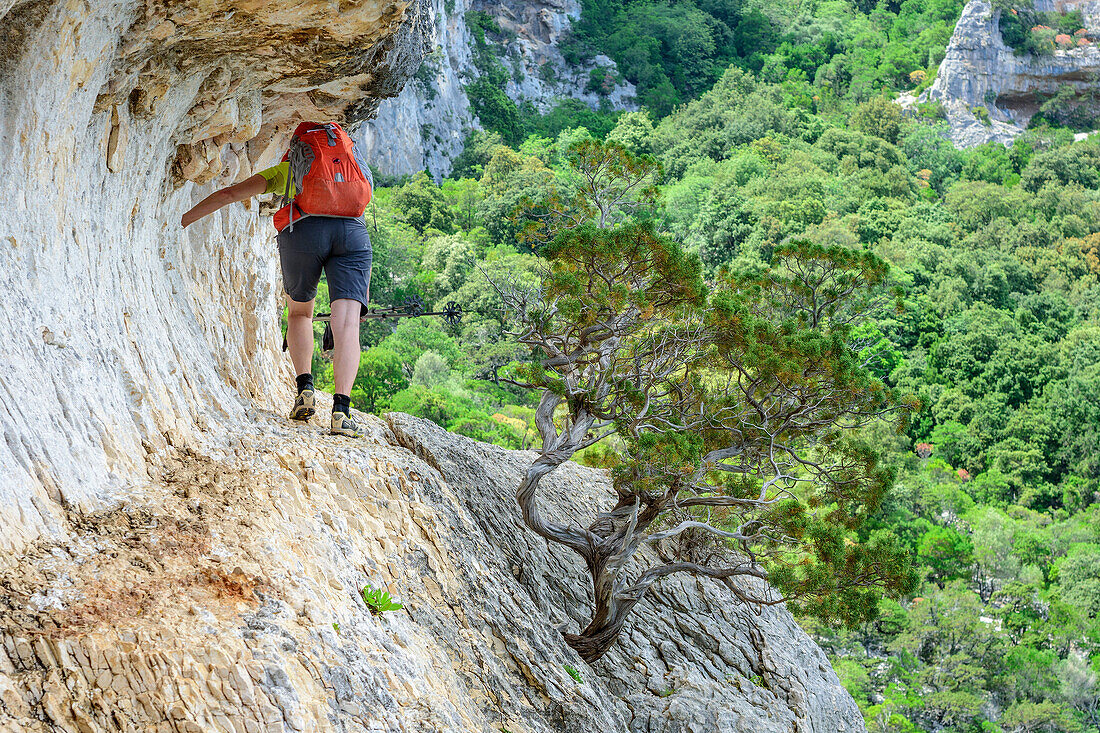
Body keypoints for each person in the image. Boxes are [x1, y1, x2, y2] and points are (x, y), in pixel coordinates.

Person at [180, 123, 373, 438]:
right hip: (353, 234)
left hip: (304, 232)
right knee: (348, 324)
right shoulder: (353, 168)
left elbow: (230, 193)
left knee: (300, 312)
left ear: (301, 148)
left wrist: (182, 219)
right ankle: (341, 411)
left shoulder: (291, 169)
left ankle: (305, 390)